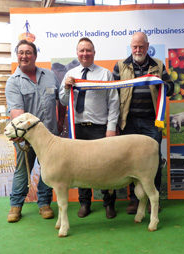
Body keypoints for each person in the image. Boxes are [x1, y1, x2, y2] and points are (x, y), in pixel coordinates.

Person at [113, 32, 174, 214]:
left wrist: (160, 83)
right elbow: (113, 95)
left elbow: (171, 88)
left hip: (151, 122)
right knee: (129, 163)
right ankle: (135, 201)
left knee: (152, 162)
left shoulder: (158, 65)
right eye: (135, 47)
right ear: (131, 47)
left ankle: (153, 200)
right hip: (128, 122)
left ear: (147, 47)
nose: (138, 50)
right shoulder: (120, 66)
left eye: (141, 46)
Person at [59, 37, 119, 219]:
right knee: (80, 167)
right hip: (77, 129)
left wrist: (111, 128)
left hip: (99, 128)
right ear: (77, 53)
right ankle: (84, 203)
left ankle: (109, 203)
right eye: (81, 50)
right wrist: (66, 88)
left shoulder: (105, 74)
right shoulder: (70, 74)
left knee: (106, 167)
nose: (85, 53)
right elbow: (62, 100)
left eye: (88, 50)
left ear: (94, 52)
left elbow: (114, 103)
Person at [5, 39, 64, 222]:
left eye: (28, 52)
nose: (24, 56)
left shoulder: (49, 75)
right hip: (26, 137)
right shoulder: (13, 82)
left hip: (50, 135)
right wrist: (21, 135)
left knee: (47, 169)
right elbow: (17, 113)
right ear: (17, 56)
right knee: (23, 169)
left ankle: (44, 203)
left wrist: (61, 121)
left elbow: (60, 100)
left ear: (35, 56)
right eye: (21, 53)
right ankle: (16, 206)